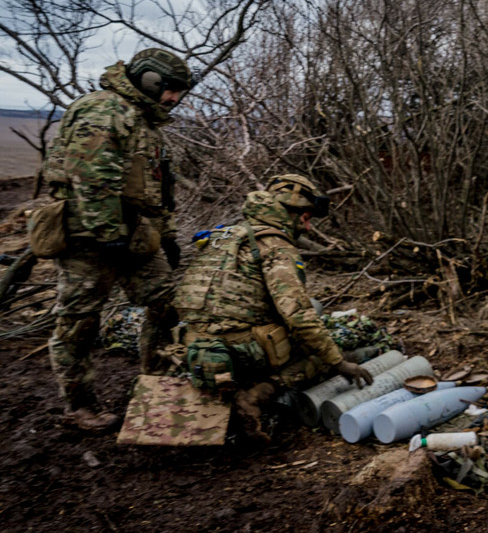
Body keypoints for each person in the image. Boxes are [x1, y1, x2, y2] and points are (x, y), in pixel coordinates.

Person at [41, 48, 195, 432]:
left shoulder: (144, 122)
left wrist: (169, 235)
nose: (174, 98)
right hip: (87, 239)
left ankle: (157, 382)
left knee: (164, 304)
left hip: (135, 235)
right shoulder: (103, 110)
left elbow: (159, 188)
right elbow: (91, 178)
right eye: (170, 89)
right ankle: (80, 407)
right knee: (78, 322)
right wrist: (108, 235)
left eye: (180, 92)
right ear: (148, 79)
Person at [174, 174, 373, 443]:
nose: (309, 229)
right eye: (307, 218)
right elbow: (298, 316)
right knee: (318, 348)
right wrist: (338, 363)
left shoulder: (223, 236)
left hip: (193, 346)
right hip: (238, 350)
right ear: (295, 213)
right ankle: (255, 395)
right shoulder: (276, 246)